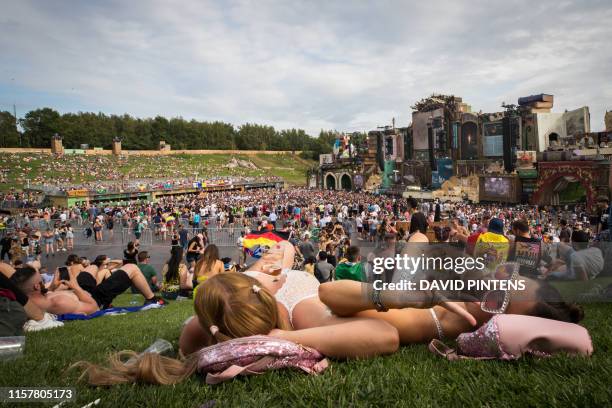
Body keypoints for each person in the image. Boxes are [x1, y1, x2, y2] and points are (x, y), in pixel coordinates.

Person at [11, 263, 160, 315]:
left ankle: (101, 268)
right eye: (40, 281)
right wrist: (75, 287)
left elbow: (45, 293)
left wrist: (54, 286)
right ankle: (151, 299)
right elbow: (93, 307)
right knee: (132, 268)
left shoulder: (31, 299)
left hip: (81, 291)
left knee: (91, 267)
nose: (43, 282)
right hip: (96, 297)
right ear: (36, 286)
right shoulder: (58, 303)